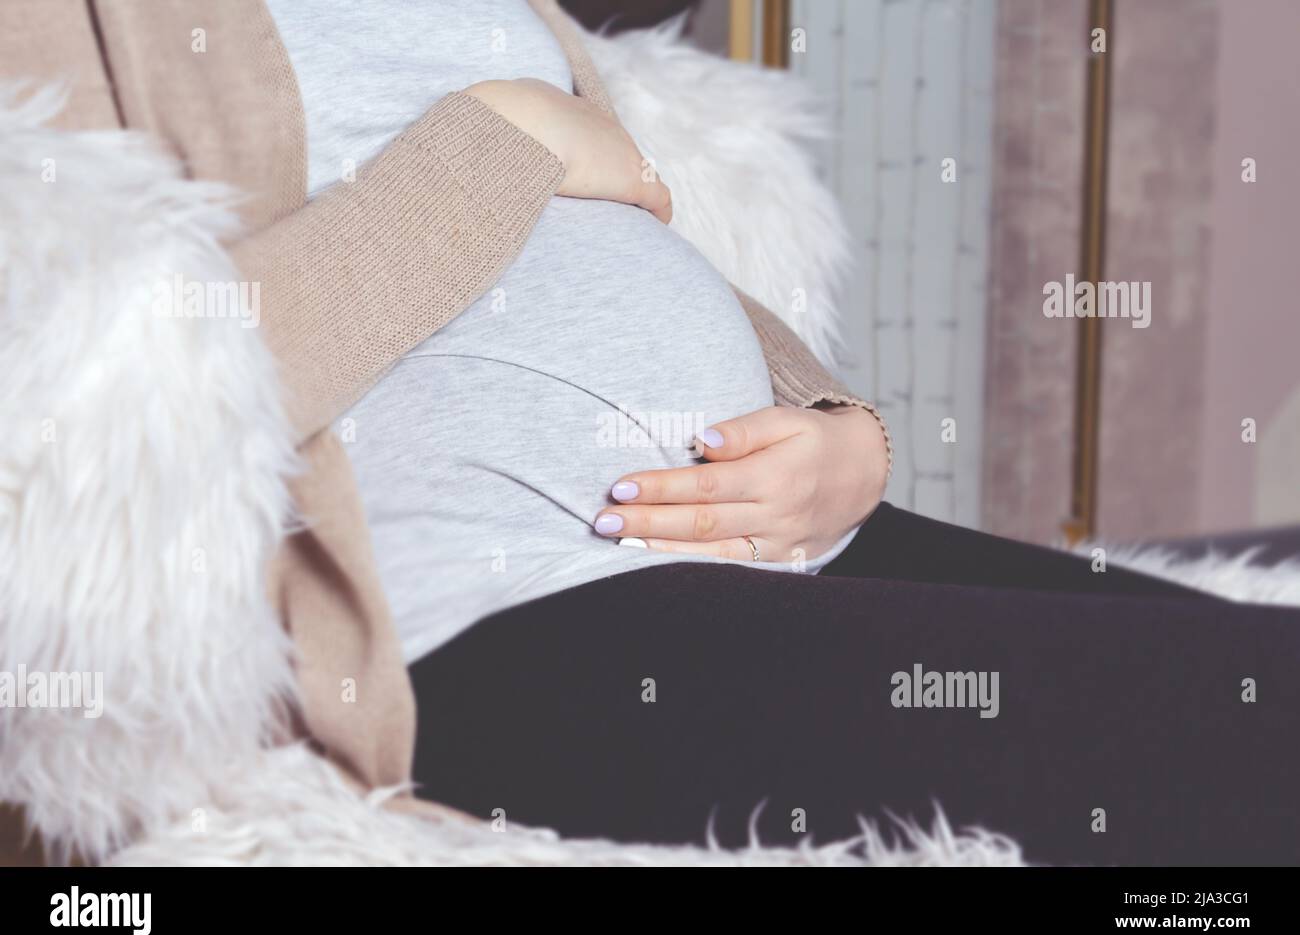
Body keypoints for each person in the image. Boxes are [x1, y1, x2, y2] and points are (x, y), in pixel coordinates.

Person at [10, 0, 1298, 866]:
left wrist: (845, 438)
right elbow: (112, 397)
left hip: (794, 553)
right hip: (511, 605)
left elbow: (632, 228)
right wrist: (497, 141)